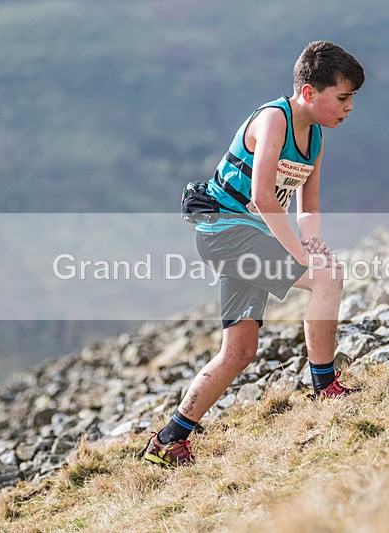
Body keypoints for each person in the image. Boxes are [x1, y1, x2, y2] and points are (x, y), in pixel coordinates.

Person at [141, 41, 365, 467]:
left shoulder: (315, 134)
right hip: (225, 234)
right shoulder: (273, 120)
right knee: (327, 278)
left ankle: (170, 439)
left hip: (247, 235)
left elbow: (309, 206)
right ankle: (325, 389)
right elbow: (263, 197)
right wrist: (302, 255)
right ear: (309, 93)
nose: (350, 106)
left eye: (352, 97)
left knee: (240, 350)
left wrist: (311, 241)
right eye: (343, 96)